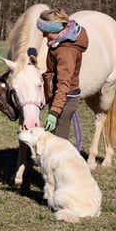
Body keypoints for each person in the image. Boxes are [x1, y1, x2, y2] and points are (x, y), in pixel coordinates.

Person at [36, 8, 88, 140]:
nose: (43, 36)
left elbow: (63, 83)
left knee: (58, 146)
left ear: (56, 30)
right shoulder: (59, 42)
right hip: (61, 100)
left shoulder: (65, 51)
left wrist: (54, 112)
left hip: (64, 101)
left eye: (46, 32)